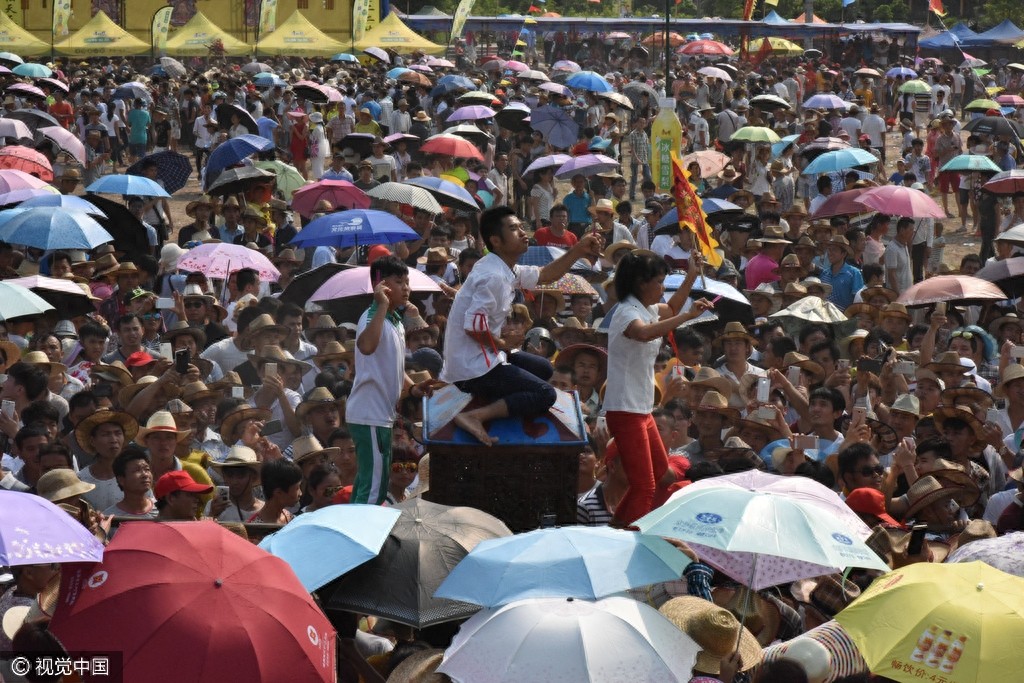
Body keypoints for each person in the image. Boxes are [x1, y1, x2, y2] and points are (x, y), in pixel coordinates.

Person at [440, 206, 603, 445]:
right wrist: (504, 343)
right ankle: (475, 415)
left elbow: (546, 275)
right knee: (545, 393)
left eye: (521, 227)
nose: (523, 232)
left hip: (486, 356)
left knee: (545, 369)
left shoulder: (504, 266)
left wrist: (578, 250)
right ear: (496, 240)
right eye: (514, 229)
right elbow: (473, 327)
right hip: (472, 369)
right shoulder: (493, 275)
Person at [604, 252, 711, 525]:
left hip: (642, 409)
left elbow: (672, 309)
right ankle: (624, 539)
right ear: (641, 283)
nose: (663, 289)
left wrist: (690, 274)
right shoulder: (626, 312)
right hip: (625, 411)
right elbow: (643, 333)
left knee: (663, 472)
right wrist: (687, 316)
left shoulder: (647, 307)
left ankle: (620, 528)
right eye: (660, 282)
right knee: (645, 486)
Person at [347, 255, 435, 505]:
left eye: (407, 281)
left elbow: (394, 368)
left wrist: (415, 388)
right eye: (399, 281)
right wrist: (382, 304)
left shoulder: (394, 320)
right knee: (373, 487)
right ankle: (364, 541)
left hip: (379, 415)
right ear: (381, 285)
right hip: (369, 414)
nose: (406, 287)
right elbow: (365, 346)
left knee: (371, 482)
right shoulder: (372, 315)